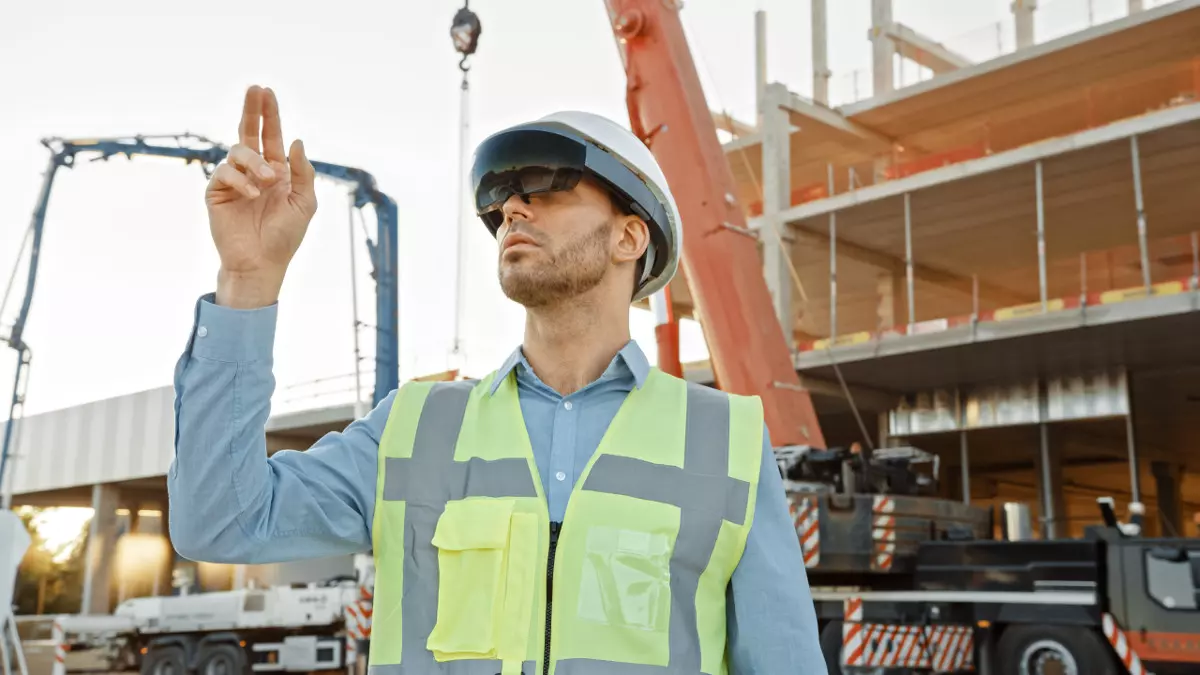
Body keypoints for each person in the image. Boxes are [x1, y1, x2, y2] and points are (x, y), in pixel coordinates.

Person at [169, 84, 826, 673]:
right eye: (504, 198)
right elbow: (217, 522)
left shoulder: (727, 441)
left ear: (630, 237)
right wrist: (248, 283)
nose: (512, 207)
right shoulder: (413, 428)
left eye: (545, 186)